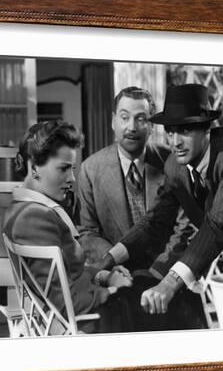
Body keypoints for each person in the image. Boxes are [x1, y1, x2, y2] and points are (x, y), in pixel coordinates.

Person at [97, 84, 223, 328]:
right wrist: (108, 258)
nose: (175, 141)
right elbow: (155, 222)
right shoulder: (175, 166)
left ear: (207, 128)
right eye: (170, 132)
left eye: (185, 130)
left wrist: (170, 282)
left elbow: (219, 225)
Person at [78, 86, 206, 330]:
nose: (132, 127)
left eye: (141, 118)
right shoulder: (90, 169)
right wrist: (114, 268)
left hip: (166, 271)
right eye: (124, 117)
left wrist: (161, 274)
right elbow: (87, 232)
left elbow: (185, 225)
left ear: (152, 125)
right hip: (116, 276)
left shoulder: (174, 160)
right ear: (113, 121)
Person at [2, 120, 134, 333]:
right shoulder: (33, 218)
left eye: (72, 169)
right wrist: (113, 290)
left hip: (91, 306)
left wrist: (103, 275)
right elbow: (65, 305)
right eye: (63, 169)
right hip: (93, 322)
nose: (72, 178)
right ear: (34, 167)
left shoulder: (24, 208)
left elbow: (68, 274)